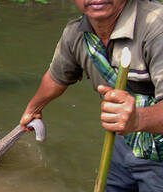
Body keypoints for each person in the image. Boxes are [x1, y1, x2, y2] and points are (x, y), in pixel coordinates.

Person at [19, 0, 163, 191]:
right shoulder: (77, 34)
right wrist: (33, 108)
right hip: (121, 140)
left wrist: (138, 118)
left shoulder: (156, 26)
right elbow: (56, 78)